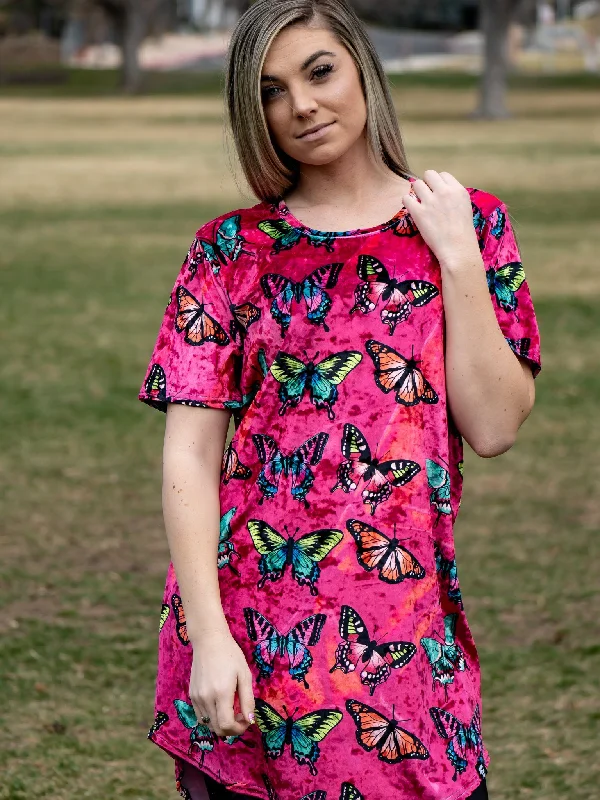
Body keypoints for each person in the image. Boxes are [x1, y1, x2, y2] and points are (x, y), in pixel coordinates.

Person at [138, 1, 541, 799]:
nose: (302, 105)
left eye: (319, 71)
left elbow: (493, 427)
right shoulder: (230, 250)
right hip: (248, 640)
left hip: (403, 644)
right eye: (271, 92)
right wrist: (210, 636)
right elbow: (188, 453)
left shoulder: (472, 222)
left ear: (363, 67)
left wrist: (456, 257)